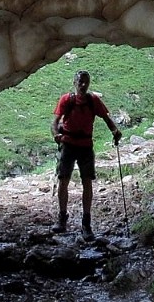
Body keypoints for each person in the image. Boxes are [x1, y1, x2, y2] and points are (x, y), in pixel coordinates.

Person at [52, 70, 122, 239]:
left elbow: (106, 118)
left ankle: (86, 223)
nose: (83, 85)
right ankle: (62, 218)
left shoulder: (93, 100)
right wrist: (56, 135)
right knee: (63, 180)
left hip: (85, 145)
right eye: (80, 81)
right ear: (74, 83)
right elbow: (54, 122)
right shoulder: (66, 100)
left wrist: (115, 130)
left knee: (87, 182)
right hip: (68, 144)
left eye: (86, 82)